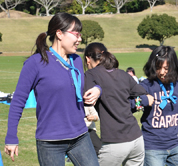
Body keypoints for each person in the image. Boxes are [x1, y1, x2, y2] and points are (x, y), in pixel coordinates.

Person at [4, 12, 100, 166]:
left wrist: (97, 89)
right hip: (50, 142)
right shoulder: (35, 63)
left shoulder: (76, 60)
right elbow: (18, 101)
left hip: (80, 136)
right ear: (59, 34)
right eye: (76, 34)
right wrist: (11, 137)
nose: (80, 39)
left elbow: (85, 84)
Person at [83, 42, 150, 166]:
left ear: (88, 59)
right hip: (137, 140)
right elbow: (143, 93)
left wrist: (99, 89)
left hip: (115, 142)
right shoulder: (122, 74)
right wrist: (127, 104)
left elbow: (85, 99)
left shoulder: (91, 74)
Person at [131, 46, 178, 166]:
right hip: (152, 147)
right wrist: (142, 100)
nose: (162, 72)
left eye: (166, 68)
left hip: (174, 145)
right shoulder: (146, 85)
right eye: (158, 68)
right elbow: (130, 105)